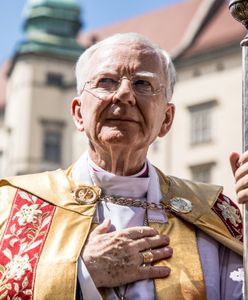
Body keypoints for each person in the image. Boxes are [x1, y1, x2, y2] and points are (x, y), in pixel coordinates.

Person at [0, 32, 245, 300]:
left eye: (143, 83)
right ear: (79, 113)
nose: (125, 95)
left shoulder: (213, 214)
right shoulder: (15, 205)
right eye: (106, 81)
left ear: (167, 119)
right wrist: (80, 273)